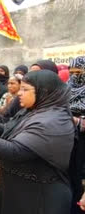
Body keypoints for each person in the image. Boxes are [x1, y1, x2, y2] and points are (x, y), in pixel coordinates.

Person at [0, 70, 74, 214]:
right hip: (18, 187)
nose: (19, 93)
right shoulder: (34, 111)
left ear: (44, 91)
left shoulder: (53, 121)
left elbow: (15, 151)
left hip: (39, 195)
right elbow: (11, 132)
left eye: (25, 89)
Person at [67, 56, 85, 214]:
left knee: (78, 177)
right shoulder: (66, 88)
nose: (74, 75)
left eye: (78, 72)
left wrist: (76, 121)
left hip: (83, 144)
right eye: (71, 72)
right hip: (66, 138)